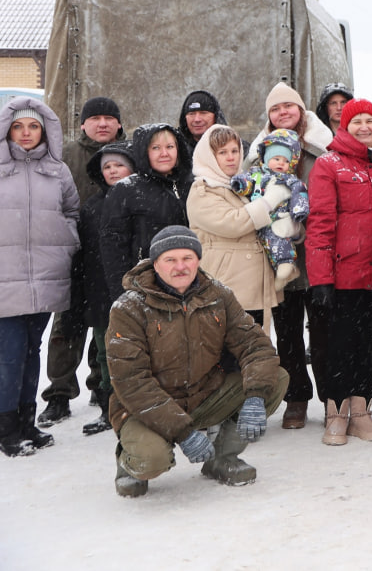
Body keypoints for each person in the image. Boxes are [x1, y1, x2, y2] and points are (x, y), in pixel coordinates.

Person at [107, 226, 289, 497]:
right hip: (146, 409)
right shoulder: (129, 308)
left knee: (274, 379)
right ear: (155, 264)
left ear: (198, 260)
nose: (180, 267)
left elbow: (255, 345)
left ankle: (222, 457)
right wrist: (183, 431)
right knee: (150, 461)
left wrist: (255, 397)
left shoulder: (218, 295)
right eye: (170, 260)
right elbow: (132, 383)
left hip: (203, 395)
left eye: (188, 258)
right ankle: (130, 464)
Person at [306, 99, 372, 446]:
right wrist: (320, 279)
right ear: (344, 126)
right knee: (339, 345)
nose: (364, 127)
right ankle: (336, 411)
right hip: (344, 274)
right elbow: (319, 224)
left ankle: (362, 409)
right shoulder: (328, 165)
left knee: (370, 342)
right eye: (357, 121)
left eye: (370, 121)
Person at [243, 82, 333, 431]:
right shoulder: (257, 157)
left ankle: (330, 397)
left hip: (317, 255)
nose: (283, 113)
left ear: (301, 111)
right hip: (276, 258)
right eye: (276, 109)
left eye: (289, 107)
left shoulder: (320, 151)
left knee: (324, 331)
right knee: (287, 332)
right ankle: (296, 397)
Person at [0, 97, 79, 456]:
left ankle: (26, 421)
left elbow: (71, 211)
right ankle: (6, 428)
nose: (26, 133)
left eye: (33, 126)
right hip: (6, 277)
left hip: (45, 276)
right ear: (7, 130)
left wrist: (67, 240)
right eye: (19, 126)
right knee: (10, 354)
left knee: (33, 350)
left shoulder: (58, 170)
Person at [39, 96, 124, 428]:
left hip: (112, 257)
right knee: (66, 326)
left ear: (118, 123)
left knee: (107, 324)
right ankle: (59, 394)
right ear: (83, 123)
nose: (102, 123)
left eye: (108, 118)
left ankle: (100, 386)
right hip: (72, 254)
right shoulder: (65, 155)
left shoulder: (128, 154)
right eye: (95, 118)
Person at [187, 126, 281, 335]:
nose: (231, 158)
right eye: (222, 153)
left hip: (252, 285)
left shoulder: (243, 185)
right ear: (210, 157)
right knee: (229, 354)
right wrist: (268, 203)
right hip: (227, 285)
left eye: (234, 151)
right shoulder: (202, 190)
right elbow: (232, 224)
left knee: (252, 352)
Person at [100, 123, 195, 316]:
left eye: (170, 147)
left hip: (188, 281)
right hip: (145, 286)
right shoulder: (126, 190)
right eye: (155, 148)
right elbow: (113, 247)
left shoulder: (191, 186)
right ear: (144, 152)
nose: (164, 153)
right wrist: (123, 293)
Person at [76, 141, 134, 435]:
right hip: (100, 294)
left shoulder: (141, 198)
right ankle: (110, 407)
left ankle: (138, 407)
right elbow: (85, 254)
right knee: (106, 354)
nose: (112, 170)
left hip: (135, 292)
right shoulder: (92, 206)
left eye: (118, 165)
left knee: (136, 354)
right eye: (107, 167)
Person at [230, 130, 310, 290]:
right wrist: (239, 184)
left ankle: (285, 266)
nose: (281, 163)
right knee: (260, 253)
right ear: (266, 159)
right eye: (276, 159)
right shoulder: (255, 175)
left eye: (285, 161)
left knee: (279, 240)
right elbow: (247, 182)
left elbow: (299, 193)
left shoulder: (290, 180)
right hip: (256, 220)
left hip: (279, 219)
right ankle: (284, 272)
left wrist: (299, 209)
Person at [177, 90, 229, 154]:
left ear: (215, 116)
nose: (197, 119)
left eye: (203, 113)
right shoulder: (176, 150)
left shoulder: (236, 147)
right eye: (192, 114)